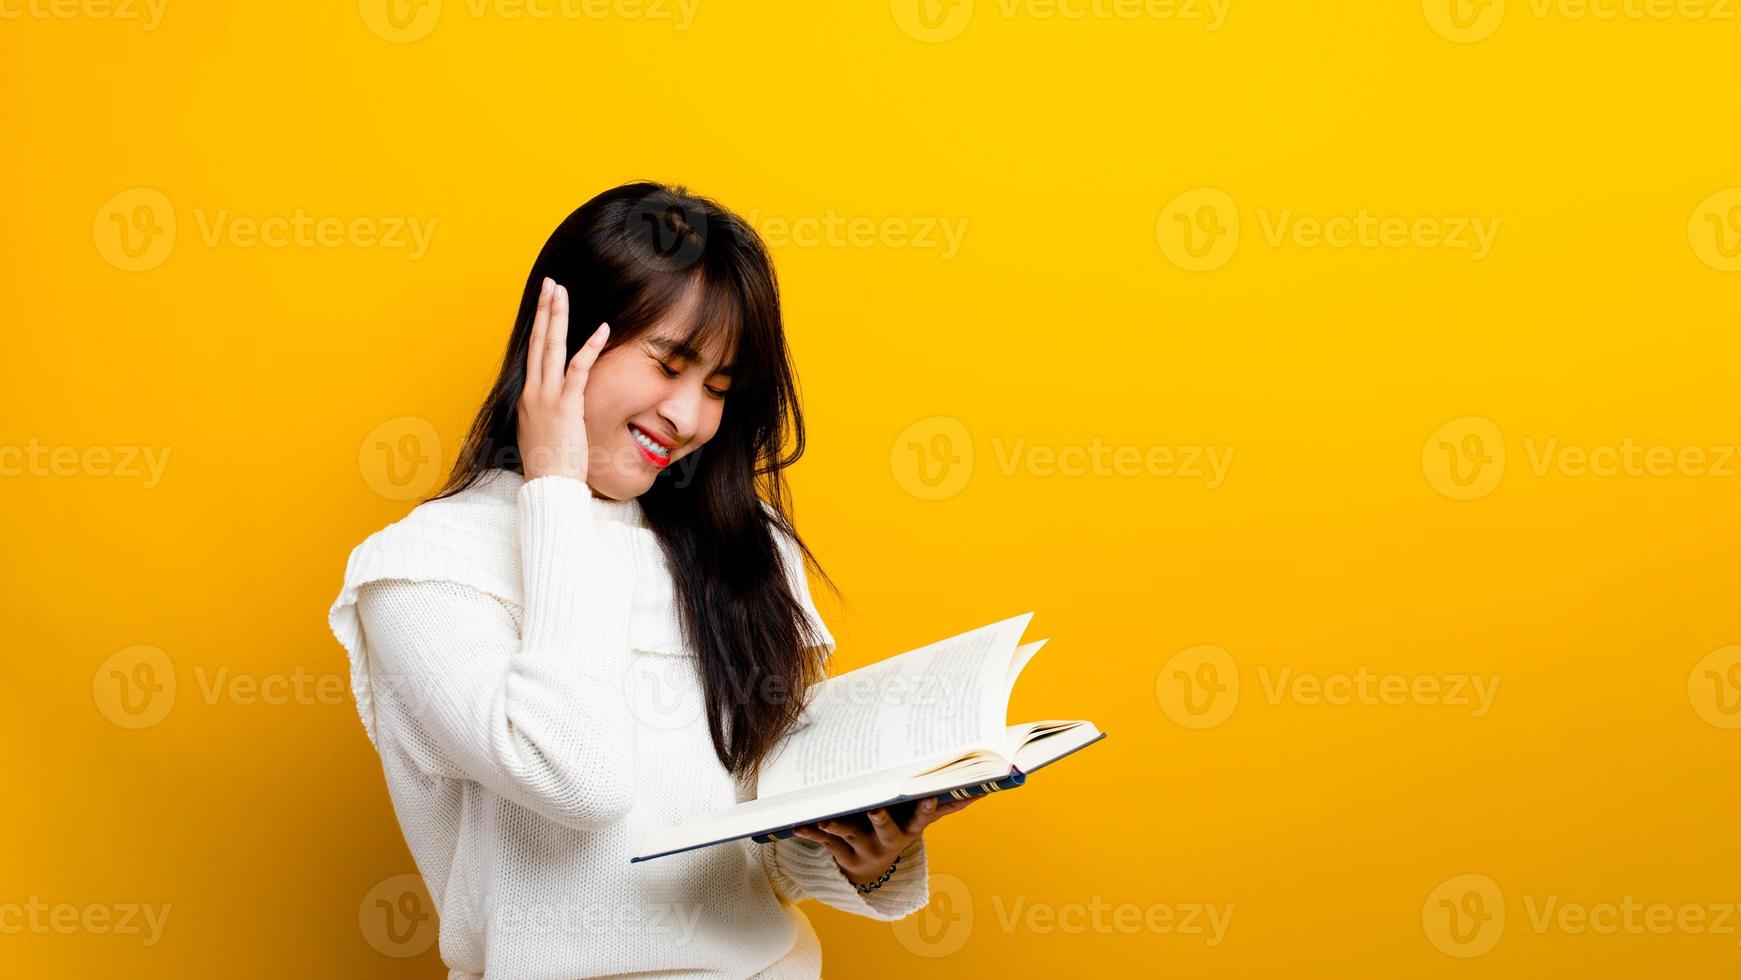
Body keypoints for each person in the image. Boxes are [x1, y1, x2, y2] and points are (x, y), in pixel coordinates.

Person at [328, 182, 978, 979]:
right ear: (558, 337)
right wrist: (556, 492)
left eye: (717, 387)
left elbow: (758, 865)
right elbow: (577, 778)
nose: (689, 417)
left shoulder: (743, 549)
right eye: (670, 363)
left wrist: (869, 852)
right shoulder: (424, 570)